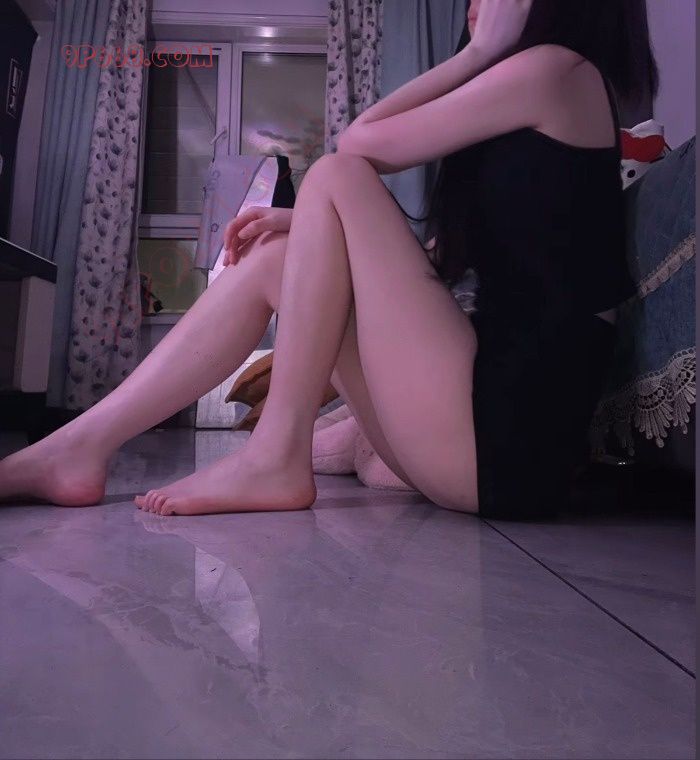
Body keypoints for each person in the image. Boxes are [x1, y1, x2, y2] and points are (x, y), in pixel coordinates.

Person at [0, 0, 657, 519]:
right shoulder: (538, 92)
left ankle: (276, 456)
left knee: (336, 174)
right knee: (274, 255)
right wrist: (313, 228)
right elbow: (465, 262)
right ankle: (79, 447)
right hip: (473, 432)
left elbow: (359, 145)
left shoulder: (557, 71)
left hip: (507, 442)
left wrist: (478, 53)